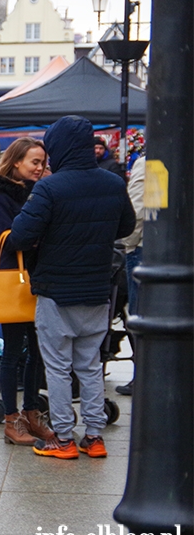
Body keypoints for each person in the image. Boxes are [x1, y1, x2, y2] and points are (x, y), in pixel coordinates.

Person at [10, 116, 135, 459]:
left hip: (56, 290)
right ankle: (94, 436)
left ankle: (63, 438)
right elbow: (125, 226)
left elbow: (20, 235)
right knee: (91, 365)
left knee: (58, 367)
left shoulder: (50, 187)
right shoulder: (112, 183)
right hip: (97, 288)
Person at [0, 137, 54, 446]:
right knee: (13, 352)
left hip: (40, 278)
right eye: (34, 162)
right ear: (16, 162)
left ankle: (31, 413)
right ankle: (12, 419)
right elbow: (7, 236)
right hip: (15, 278)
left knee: (37, 353)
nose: (40, 168)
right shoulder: (1, 194)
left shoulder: (43, 191)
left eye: (42, 162)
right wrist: (35, 236)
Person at [116, 155, 146, 396]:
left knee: (140, 316)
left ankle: (144, 375)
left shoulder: (150, 163)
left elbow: (137, 209)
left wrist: (128, 244)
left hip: (144, 248)